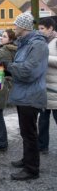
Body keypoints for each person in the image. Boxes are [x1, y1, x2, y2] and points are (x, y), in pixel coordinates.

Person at [0, 12, 49, 181]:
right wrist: (9, 70)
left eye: (16, 25)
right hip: (23, 94)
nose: (14, 27)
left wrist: (9, 66)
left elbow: (29, 71)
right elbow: (21, 67)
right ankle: (27, 160)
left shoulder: (38, 45)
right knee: (25, 132)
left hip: (31, 96)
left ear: (23, 27)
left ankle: (32, 170)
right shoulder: (25, 44)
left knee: (29, 134)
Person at [38, 17, 57, 154]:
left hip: (55, 91)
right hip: (44, 89)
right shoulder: (42, 42)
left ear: (50, 28)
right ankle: (42, 146)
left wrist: (44, 57)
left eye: (42, 28)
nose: (39, 31)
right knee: (43, 122)